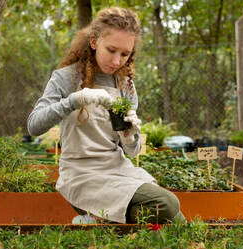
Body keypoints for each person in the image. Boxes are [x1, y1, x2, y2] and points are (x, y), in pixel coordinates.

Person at [28, 7, 185, 224]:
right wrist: (74, 100)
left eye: (125, 54)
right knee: (167, 206)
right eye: (111, 50)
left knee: (176, 217)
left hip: (116, 169)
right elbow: (33, 125)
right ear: (94, 41)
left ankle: (98, 221)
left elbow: (132, 151)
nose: (117, 60)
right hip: (81, 174)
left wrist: (130, 135)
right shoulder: (65, 78)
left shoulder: (126, 86)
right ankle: (100, 219)